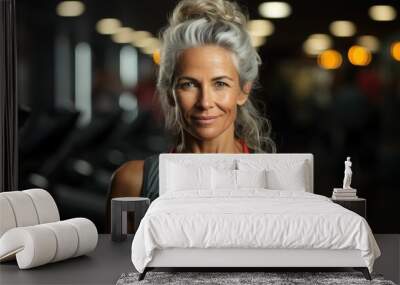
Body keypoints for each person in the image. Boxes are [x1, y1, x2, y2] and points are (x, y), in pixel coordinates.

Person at [108, 0, 276, 207]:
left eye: (220, 83)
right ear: (169, 92)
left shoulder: (275, 181)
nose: (205, 102)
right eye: (188, 84)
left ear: (243, 91)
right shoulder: (133, 182)